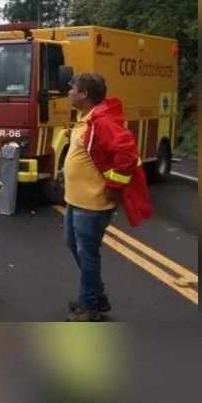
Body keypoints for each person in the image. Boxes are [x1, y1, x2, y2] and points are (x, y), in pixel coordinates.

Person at [62, 72, 151, 321]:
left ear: (84, 94)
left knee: (87, 253)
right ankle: (95, 294)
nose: (68, 91)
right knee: (73, 244)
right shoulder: (87, 119)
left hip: (92, 203)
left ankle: (89, 305)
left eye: (72, 88)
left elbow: (127, 152)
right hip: (76, 200)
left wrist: (114, 184)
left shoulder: (102, 121)